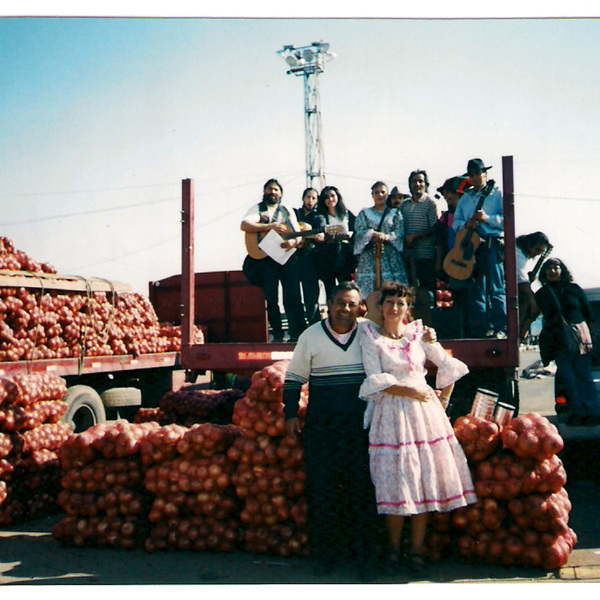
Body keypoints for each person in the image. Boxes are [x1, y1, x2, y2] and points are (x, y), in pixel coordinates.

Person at [358, 281, 477, 575]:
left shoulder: (418, 334)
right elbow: (374, 379)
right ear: (380, 307)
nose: (394, 308)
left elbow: (448, 365)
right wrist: (411, 391)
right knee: (395, 483)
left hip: (424, 416)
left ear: (408, 308)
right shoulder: (371, 337)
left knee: (422, 481)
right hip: (391, 414)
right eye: (389, 303)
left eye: (401, 303)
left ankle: (416, 553)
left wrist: (442, 399)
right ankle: (394, 552)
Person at [282, 281, 380, 580]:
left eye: (351, 304)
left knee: (360, 492)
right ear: (329, 304)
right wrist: (289, 415)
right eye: (340, 302)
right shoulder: (310, 336)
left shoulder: (369, 332)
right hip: (322, 428)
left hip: (360, 427)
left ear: (360, 306)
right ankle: (326, 557)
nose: (345, 309)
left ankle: (363, 559)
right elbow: (293, 379)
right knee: (322, 492)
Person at [535, 258, 600, 426]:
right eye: (549, 268)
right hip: (558, 342)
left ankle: (593, 411)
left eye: (556, 267)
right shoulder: (542, 294)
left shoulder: (574, 289)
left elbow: (588, 315)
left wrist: (591, 337)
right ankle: (577, 412)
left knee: (584, 376)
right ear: (544, 273)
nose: (552, 271)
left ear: (562, 270)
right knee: (569, 378)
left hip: (579, 341)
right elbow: (530, 310)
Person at [240, 178, 307, 342]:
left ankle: (296, 334)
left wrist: (293, 241)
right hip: (266, 258)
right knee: (271, 298)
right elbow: (245, 225)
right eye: (270, 189)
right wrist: (269, 227)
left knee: (292, 295)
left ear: (281, 193)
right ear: (264, 192)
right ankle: (277, 334)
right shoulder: (257, 209)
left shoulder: (287, 210)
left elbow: (297, 233)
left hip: (286, 257)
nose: (273, 192)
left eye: (276, 189)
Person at [452, 158, 506, 338]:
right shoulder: (465, 198)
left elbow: (507, 221)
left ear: (485, 174)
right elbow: (455, 223)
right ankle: (481, 330)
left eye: (478, 173)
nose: (475, 178)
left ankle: (501, 328)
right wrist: (466, 224)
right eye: (472, 175)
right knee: (477, 290)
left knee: (496, 287)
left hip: (491, 243)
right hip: (472, 247)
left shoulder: (497, 195)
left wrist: (486, 218)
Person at [353, 181, 408, 300]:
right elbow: (359, 232)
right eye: (376, 192)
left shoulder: (395, 213)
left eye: (383, 192)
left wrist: (387, 237)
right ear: (372, 195)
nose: (380, 195)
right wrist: (371, 234)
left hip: (390, 255)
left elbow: (400, 232)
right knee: (369, 293)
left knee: (392, 290)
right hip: (370, 256)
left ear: (387, 195)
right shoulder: (364, 213)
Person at [313, 185, 357, 301]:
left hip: (345, 255)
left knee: (346, 287)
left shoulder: (347, 214)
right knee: (330, 290)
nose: (330, 199)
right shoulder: (320, 216)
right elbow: (323, 229)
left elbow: (355, 230)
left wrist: (349, 235)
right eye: (326, 197)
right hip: (328, 257)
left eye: (333, 196)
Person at [400, 170, 439, 294]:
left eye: (420, 181)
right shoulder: (404, 205)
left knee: (427, 293)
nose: (417, 184)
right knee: (408, 292)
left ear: (426, 184)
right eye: (414, 181)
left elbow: (436, 228)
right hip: (408, 256)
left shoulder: (431, 203)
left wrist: (415, 236)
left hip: (426, 256)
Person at [294, 187, 326, 325]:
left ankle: (314, 327)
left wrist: (321, 235)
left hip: (310, 260)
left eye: (314, 198)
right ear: (303, 198)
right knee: (293, 296)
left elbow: (324, 231)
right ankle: (297, 329)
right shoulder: (295, 214)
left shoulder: (319, 217)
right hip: (292, 259)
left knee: (311, 297)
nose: (310, 200)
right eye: (308, 197)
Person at [516, 231, 551, 340]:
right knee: (529, 303)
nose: (537, 254)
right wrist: (533, 301)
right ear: (529, 244)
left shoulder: (523, 255)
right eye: (536, 249)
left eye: (540, 252)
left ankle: (522, 331)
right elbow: (521, 280)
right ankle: (518, 331)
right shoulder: (518, 253)